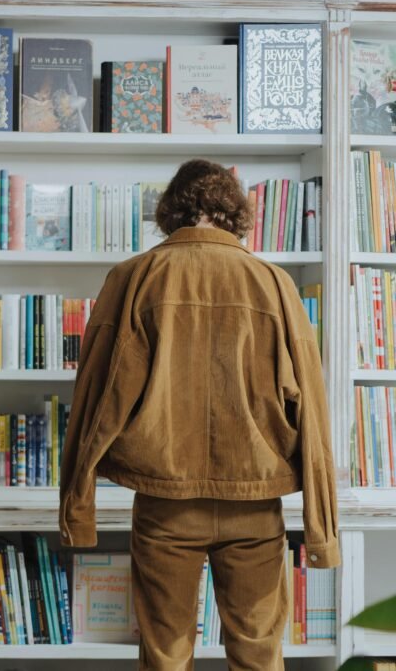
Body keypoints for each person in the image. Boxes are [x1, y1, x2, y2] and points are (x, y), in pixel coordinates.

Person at [59, 159, 339, 670]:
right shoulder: (274, 284)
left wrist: (78, 508)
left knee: (165, 656)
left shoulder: (134, 277)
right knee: (258, 655)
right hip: (255, 503)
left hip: (165, 501)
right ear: (234, 214)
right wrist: (322, 533)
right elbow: (313, 411)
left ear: (172, 212)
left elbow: (95, 398)